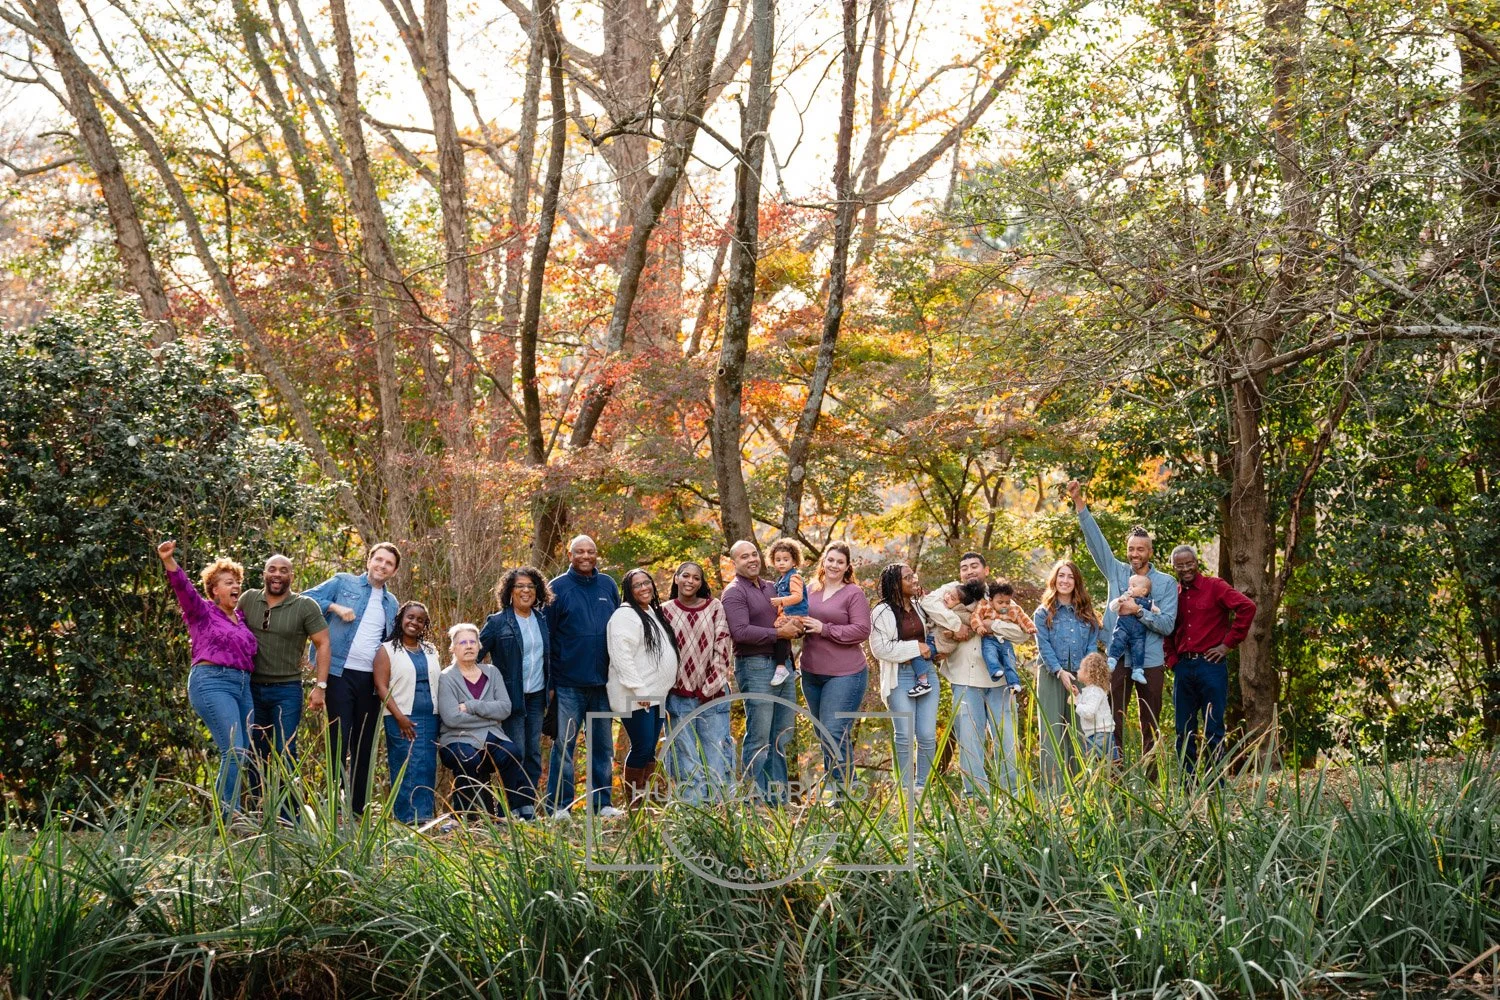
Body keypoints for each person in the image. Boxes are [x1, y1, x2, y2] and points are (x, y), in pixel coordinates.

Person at [1068, 480, 1177, 774]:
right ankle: (1114, 780)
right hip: (1116, 661)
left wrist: (1138, 612)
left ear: (1150, 552)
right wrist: (1080, 503)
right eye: (1131, 548)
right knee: (1110, 721)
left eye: (1140, 549)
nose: (1135, 553)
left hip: (1150, 662)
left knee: (1149, 723)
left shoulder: (1165, 583)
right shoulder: (1116, 571)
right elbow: (1096, 542)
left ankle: (1151, 782)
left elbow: (1167, 624)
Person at [155, 538, 257, 822]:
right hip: (211, 681)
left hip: (243, 685)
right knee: (234, 748)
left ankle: (231, 813)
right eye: (227, 582)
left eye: (236, 580)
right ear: (214, 591)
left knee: (243, 751)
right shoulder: (201, 612)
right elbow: (183, 589)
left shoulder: (242, 619)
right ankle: (229, 817)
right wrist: (169, 561)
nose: (235, 585)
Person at [303, 543, 402, 817]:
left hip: (371, 681)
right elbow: (305, 599)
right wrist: (334, 607)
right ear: (369, 560)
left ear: (393, 571)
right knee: (339, 739)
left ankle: (357, 810)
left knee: (364, 743)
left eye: (388, 563)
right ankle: (334, 807)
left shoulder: (391, 603)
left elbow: (391, 643)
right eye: (378, 560)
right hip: (338, 673)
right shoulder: (343, 582)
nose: (382, 566)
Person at [921, 553, 1030, 798]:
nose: (969, 571)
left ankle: (1013, 795)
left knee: (1007, 740)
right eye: (964, 568)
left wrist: (992, 626)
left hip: (1000, 681)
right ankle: (975, 798)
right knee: (970, 741)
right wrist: (956, 624)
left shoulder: (1000, 595)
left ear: (986, 570)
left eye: (974, 566)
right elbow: (928, 603)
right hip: (963, 679)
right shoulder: (953, 590)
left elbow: (1023, 632)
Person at [236, 554, 330, 816]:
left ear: (292, 576)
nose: (277, 574)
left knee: (285, 752)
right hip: (251, 688)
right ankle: (260, 813)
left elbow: (322, 643)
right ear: (264, 573)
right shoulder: (247, 599)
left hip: (286, 690)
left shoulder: (304, 606)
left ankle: (290, 817)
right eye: (272, 569)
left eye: (284, 570)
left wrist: (320, 686)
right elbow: (226, 624)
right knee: (255, 752)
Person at [545, 535, 622, 818]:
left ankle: (602, 804)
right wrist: (551, 683)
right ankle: (558, 806)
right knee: (563, 746)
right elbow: (548, 637)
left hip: (603, 683)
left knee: (602, 747)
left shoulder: (608, 585)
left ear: (596, 554)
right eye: (580, 552)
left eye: (591, 551)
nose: (586, 556)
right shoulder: (557, 588)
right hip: (568, 684)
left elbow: (620, 628)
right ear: (570, 554)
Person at [721, 540, 803, 805]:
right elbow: (740, 632)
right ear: (735, 563)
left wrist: (794, 625)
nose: (752, 559)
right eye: (744, 556)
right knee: (759, 736)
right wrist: (778, 632)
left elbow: (789, 614)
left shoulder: (771, 587)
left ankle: (777, 799)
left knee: (781, 735)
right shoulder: (733, 593)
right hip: (755, 666)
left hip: (783, 666)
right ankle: (753, 798)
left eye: (754, 554)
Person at [1167, 545, 1257, 780]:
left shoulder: (1214, 586)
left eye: (1189, 563)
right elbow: (1165, 629)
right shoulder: (1172, 594)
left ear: (1196, 563)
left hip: (1211, 666)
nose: (1185, 568)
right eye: (1180, 565)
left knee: (1213, 727)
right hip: (1183, 668)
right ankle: (1188, 785)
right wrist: (1172, 660)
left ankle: (1215, 783)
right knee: (1183, 730)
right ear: (1174, 566)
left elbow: (1247, 607)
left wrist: (1227, 645)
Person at [796, 542, 872, 799]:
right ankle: (839, 789)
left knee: (834, 731)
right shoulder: (810, 591)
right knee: (823, 732)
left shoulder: (853, 594)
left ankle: (843, 796)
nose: (834, 565)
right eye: (830, 560)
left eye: (840, 562)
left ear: (847, 567)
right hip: (811, 672)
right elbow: (798, 619)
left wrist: (824, 628)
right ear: (823, 562)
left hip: (846, 674)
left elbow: (862, 630)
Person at [478, 567, 553, 820]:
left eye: (531, 586)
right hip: (510, 699)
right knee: (515, 752)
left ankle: (527, 806)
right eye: (519, 586)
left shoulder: (542, 620)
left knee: (533, 752)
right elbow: (474, 657)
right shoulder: (497, 622)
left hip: (536, 696)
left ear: (537, 591)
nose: (525, 591)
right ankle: (513, 807)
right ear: (509, 592)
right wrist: (485, 689)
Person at [660, 561, 735, 802]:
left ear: (701, 583)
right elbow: (661, 652)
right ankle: (693, 808)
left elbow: (723, 644)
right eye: (685, 576)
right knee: (685, 754)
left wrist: (710, 686)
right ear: (676, 578)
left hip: (712, 693)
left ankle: (720, 806)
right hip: (678, 694)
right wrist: (674, 686)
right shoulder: (664, 611)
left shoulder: (714, 607)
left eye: (696, 578)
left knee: (716, 751)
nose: (690, 581)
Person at [607, 569, 680, 807]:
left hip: (656, 695)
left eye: (646, 582)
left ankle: (645, 800)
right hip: (637, 696)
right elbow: (621, 656)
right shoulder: (625, 615)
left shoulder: (650, 612)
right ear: (629, 590)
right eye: (637, 585)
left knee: (649, 750)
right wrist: (640, 691)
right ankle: (634, 803)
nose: (644, 588)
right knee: (642, 746)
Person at [437, 623, 526, 818]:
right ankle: (461, 816)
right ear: (453, 648)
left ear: (479, 645)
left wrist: (471, 706)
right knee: (470, 759)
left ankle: (505, 814)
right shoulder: (446, 678)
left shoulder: (492, 672)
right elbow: (452, 718)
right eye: (462, 642)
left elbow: (504, 708)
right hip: (456, 738)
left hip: (492, 736)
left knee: (512, 754)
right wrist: (488, 715)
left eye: (472, 641)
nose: (468, 646)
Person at [1032, 559, 1104, 790]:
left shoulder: (1088, 616)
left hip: (1080, 678)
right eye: (1061, 576)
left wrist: (1086, 679)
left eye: (1070, 577)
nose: (1065, 580)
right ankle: (1052, 792)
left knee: (1080, 735)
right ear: (1054, 580)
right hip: (1051, 675)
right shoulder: (1043, 613)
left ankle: (1082, 791)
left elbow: (1092, 649)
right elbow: (1043, 646)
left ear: (1077, 582)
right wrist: (1060, 672)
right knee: (1051, 734)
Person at [869, 562, 938, 792]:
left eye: (913, 575)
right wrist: (916, 648)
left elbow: (933, 629)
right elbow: (881, 649)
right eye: (908, 577)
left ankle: (923, 786)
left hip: (926, 675)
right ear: (895, 584)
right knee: (904, 735)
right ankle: (906, 788)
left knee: (928, 735)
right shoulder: (881, 612)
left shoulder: (920, 606)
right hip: (899, 677)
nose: (914, 579)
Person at [372, 601, 441, 825]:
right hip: (400, 717)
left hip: (430, 717)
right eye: (410, 617)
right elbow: (381, 687)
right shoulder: (387, 649)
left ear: (425, 625)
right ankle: (406, 818)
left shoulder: (431, 649)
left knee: (427, 766)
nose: (414, 622)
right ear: (401, 619)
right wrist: (400, 717)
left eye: (420, 620)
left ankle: (426, 817)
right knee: (406, 765)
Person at [974, 581, 1035, 693]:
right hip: (989, 639)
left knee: (1010, 659)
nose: (1004, 605)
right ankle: (995, 671)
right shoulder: (984, 605)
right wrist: (978, 627)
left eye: (1007, 602)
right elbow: (976, 616)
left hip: (1004, 640)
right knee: (989, 653)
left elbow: (1023, 619)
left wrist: (1029, 627)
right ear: (991, 601)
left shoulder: (1013, 609)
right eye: (1000, 602)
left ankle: (1014, 683)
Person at [768, 538, 807, 687]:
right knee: (784, 638)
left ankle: (781, 667)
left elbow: (798, 596)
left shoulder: (794, 577)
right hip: (787, 613)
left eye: (785, 559)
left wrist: (781, 601)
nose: (781, 562)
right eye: (778, 560)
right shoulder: (782, 578)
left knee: (780, 634)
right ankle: (793, 668)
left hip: (795, 613)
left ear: (794, 561)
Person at [1106, 574, 1157, 686]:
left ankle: (1137, 670)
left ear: (1143, 591)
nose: (1129, 588)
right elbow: (1112, 607)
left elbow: (1155, 613)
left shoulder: (1149, 602)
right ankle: (1112, 660)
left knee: (1139, 649)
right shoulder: (1125, 598)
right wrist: (1118, 601)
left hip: (1138, 633)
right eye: (1129, 586)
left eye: (1133, 586)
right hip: (1123, 627)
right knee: (1118, 640)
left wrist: (1155, 610)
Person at [1074, 652, 1113, 760]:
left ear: (1089, 673)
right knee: (1107, 767)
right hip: (1099, 734)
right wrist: (1077, 696)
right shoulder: (1092, 690)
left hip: (1099, 735)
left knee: (1099, 768)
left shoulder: (1094, 691)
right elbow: (1088, 704)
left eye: (1080, 669)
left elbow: (1089, 713)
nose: (1078, 671)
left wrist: (1075, 703)